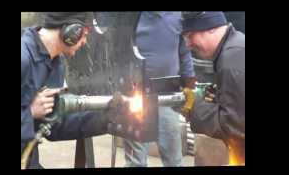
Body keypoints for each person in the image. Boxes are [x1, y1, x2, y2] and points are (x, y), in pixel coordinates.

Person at [21, 12, 120, 169]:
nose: (85, 41)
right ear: (72, 31)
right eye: (84, 34)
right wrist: (30, 112)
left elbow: (54, 126)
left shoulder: (55, 64)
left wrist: (106, 118)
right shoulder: (23, 58)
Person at [124, 11, 196, 167]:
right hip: (137, 97)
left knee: (174, 160)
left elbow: (184, 53)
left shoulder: (177, 16)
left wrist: (190, 85)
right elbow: (119, 52)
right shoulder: (130, 17)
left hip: (167, 96)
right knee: (136, 163)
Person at [180, 11, 245, 165]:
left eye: (191, 35)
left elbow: (234, 127)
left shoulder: (231, 60)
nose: (188, 44)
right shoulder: (238, 45)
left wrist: (193, 107)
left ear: (212, 28)